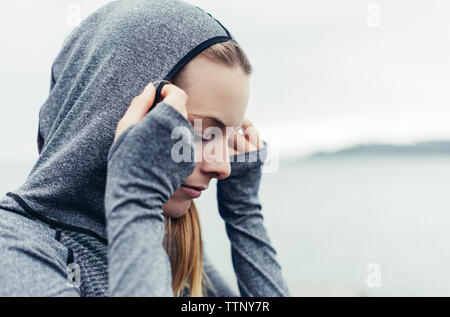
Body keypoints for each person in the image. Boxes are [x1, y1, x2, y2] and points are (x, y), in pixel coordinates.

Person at [0, 0, 290, 297]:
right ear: (113, 112)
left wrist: (243, 212)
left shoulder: (168, 246)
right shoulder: (12, 249)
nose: (224, 168)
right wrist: (137, 192)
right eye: (201, 133)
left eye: (227, 139)